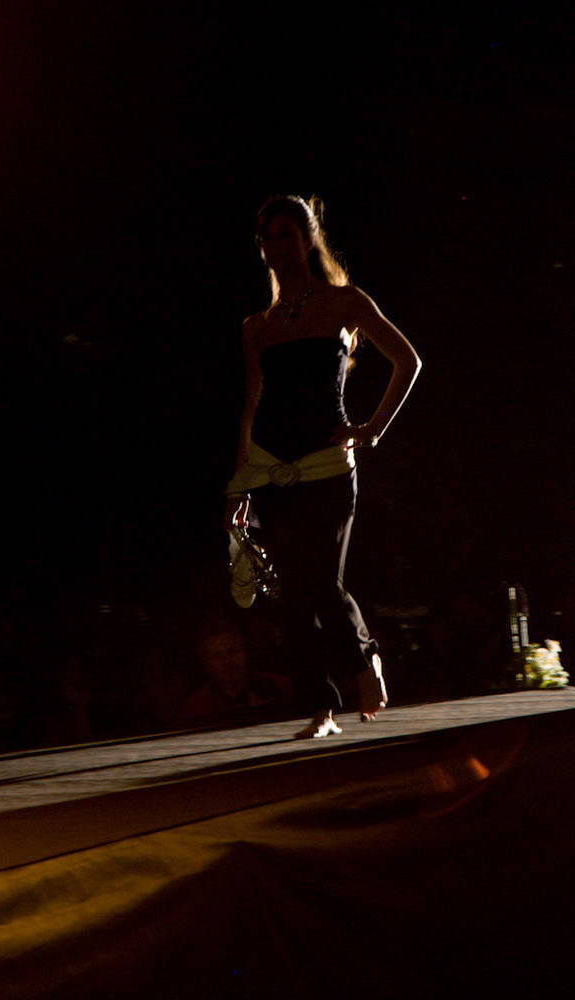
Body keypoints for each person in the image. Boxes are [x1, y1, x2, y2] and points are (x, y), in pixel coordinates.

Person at [224, 195, 422, 738]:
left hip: (328, 462)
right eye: (267, 237)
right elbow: (252, 406)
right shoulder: (257, 326)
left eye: (286, 233)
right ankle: (321, 708)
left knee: (319, 578)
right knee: (290, 591)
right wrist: (240, 485)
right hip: (272, 468)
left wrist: (372, 428)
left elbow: (407, 360)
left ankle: (365, 659)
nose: (276, 245)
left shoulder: (343, 302)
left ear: (308, 239)